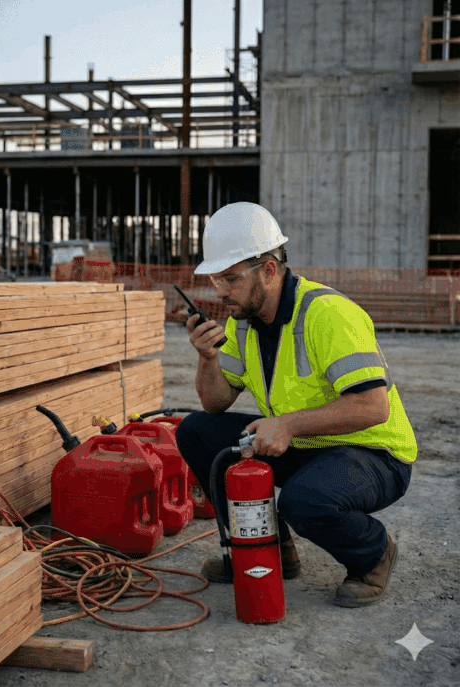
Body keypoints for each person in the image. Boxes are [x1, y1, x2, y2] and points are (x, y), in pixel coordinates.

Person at [175, 202, 416, 608]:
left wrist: (286, 425)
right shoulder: (242, 323)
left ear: (269, 269)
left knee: (303, 501)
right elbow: (215, 403)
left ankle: (373, 554)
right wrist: (207, 358)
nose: (219, 291)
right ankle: (267, 550)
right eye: (216, 278)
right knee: (197, 432)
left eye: (230, 278)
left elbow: (374, 407)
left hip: (375, 453)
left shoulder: (328, 315)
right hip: (308, 444)